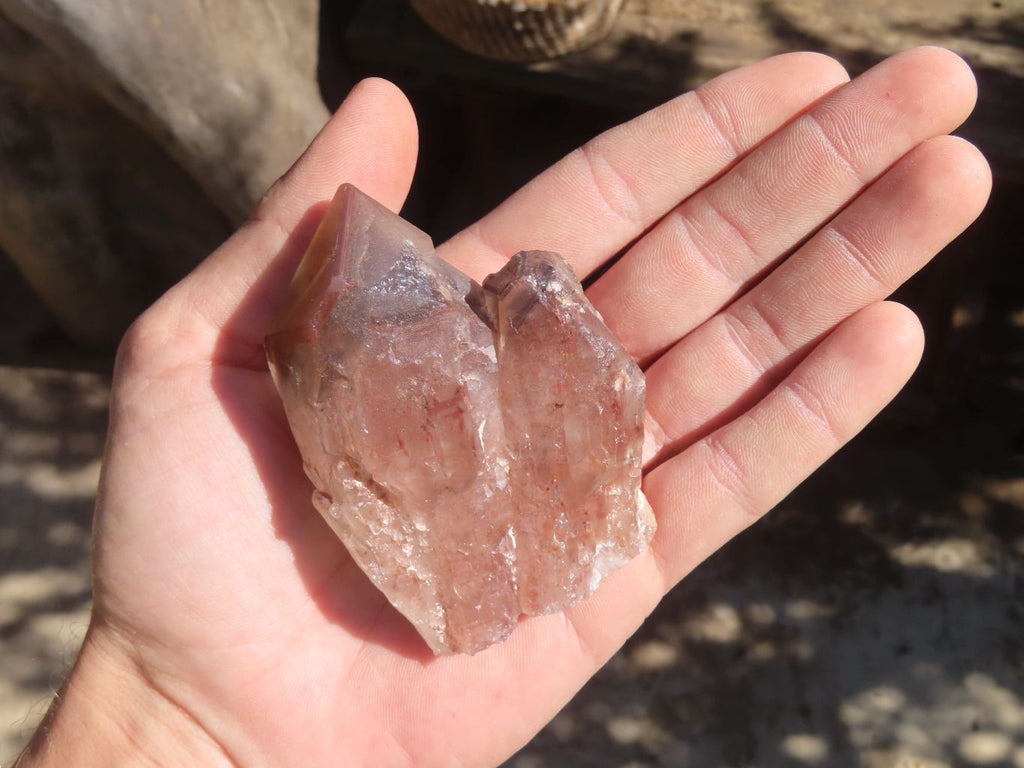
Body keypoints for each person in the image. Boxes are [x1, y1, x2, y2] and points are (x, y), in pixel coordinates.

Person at [17, 47, 989, 767]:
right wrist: (168, 717)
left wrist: (165, 725)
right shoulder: (385, 354)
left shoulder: (499, 344)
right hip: (452, 538)